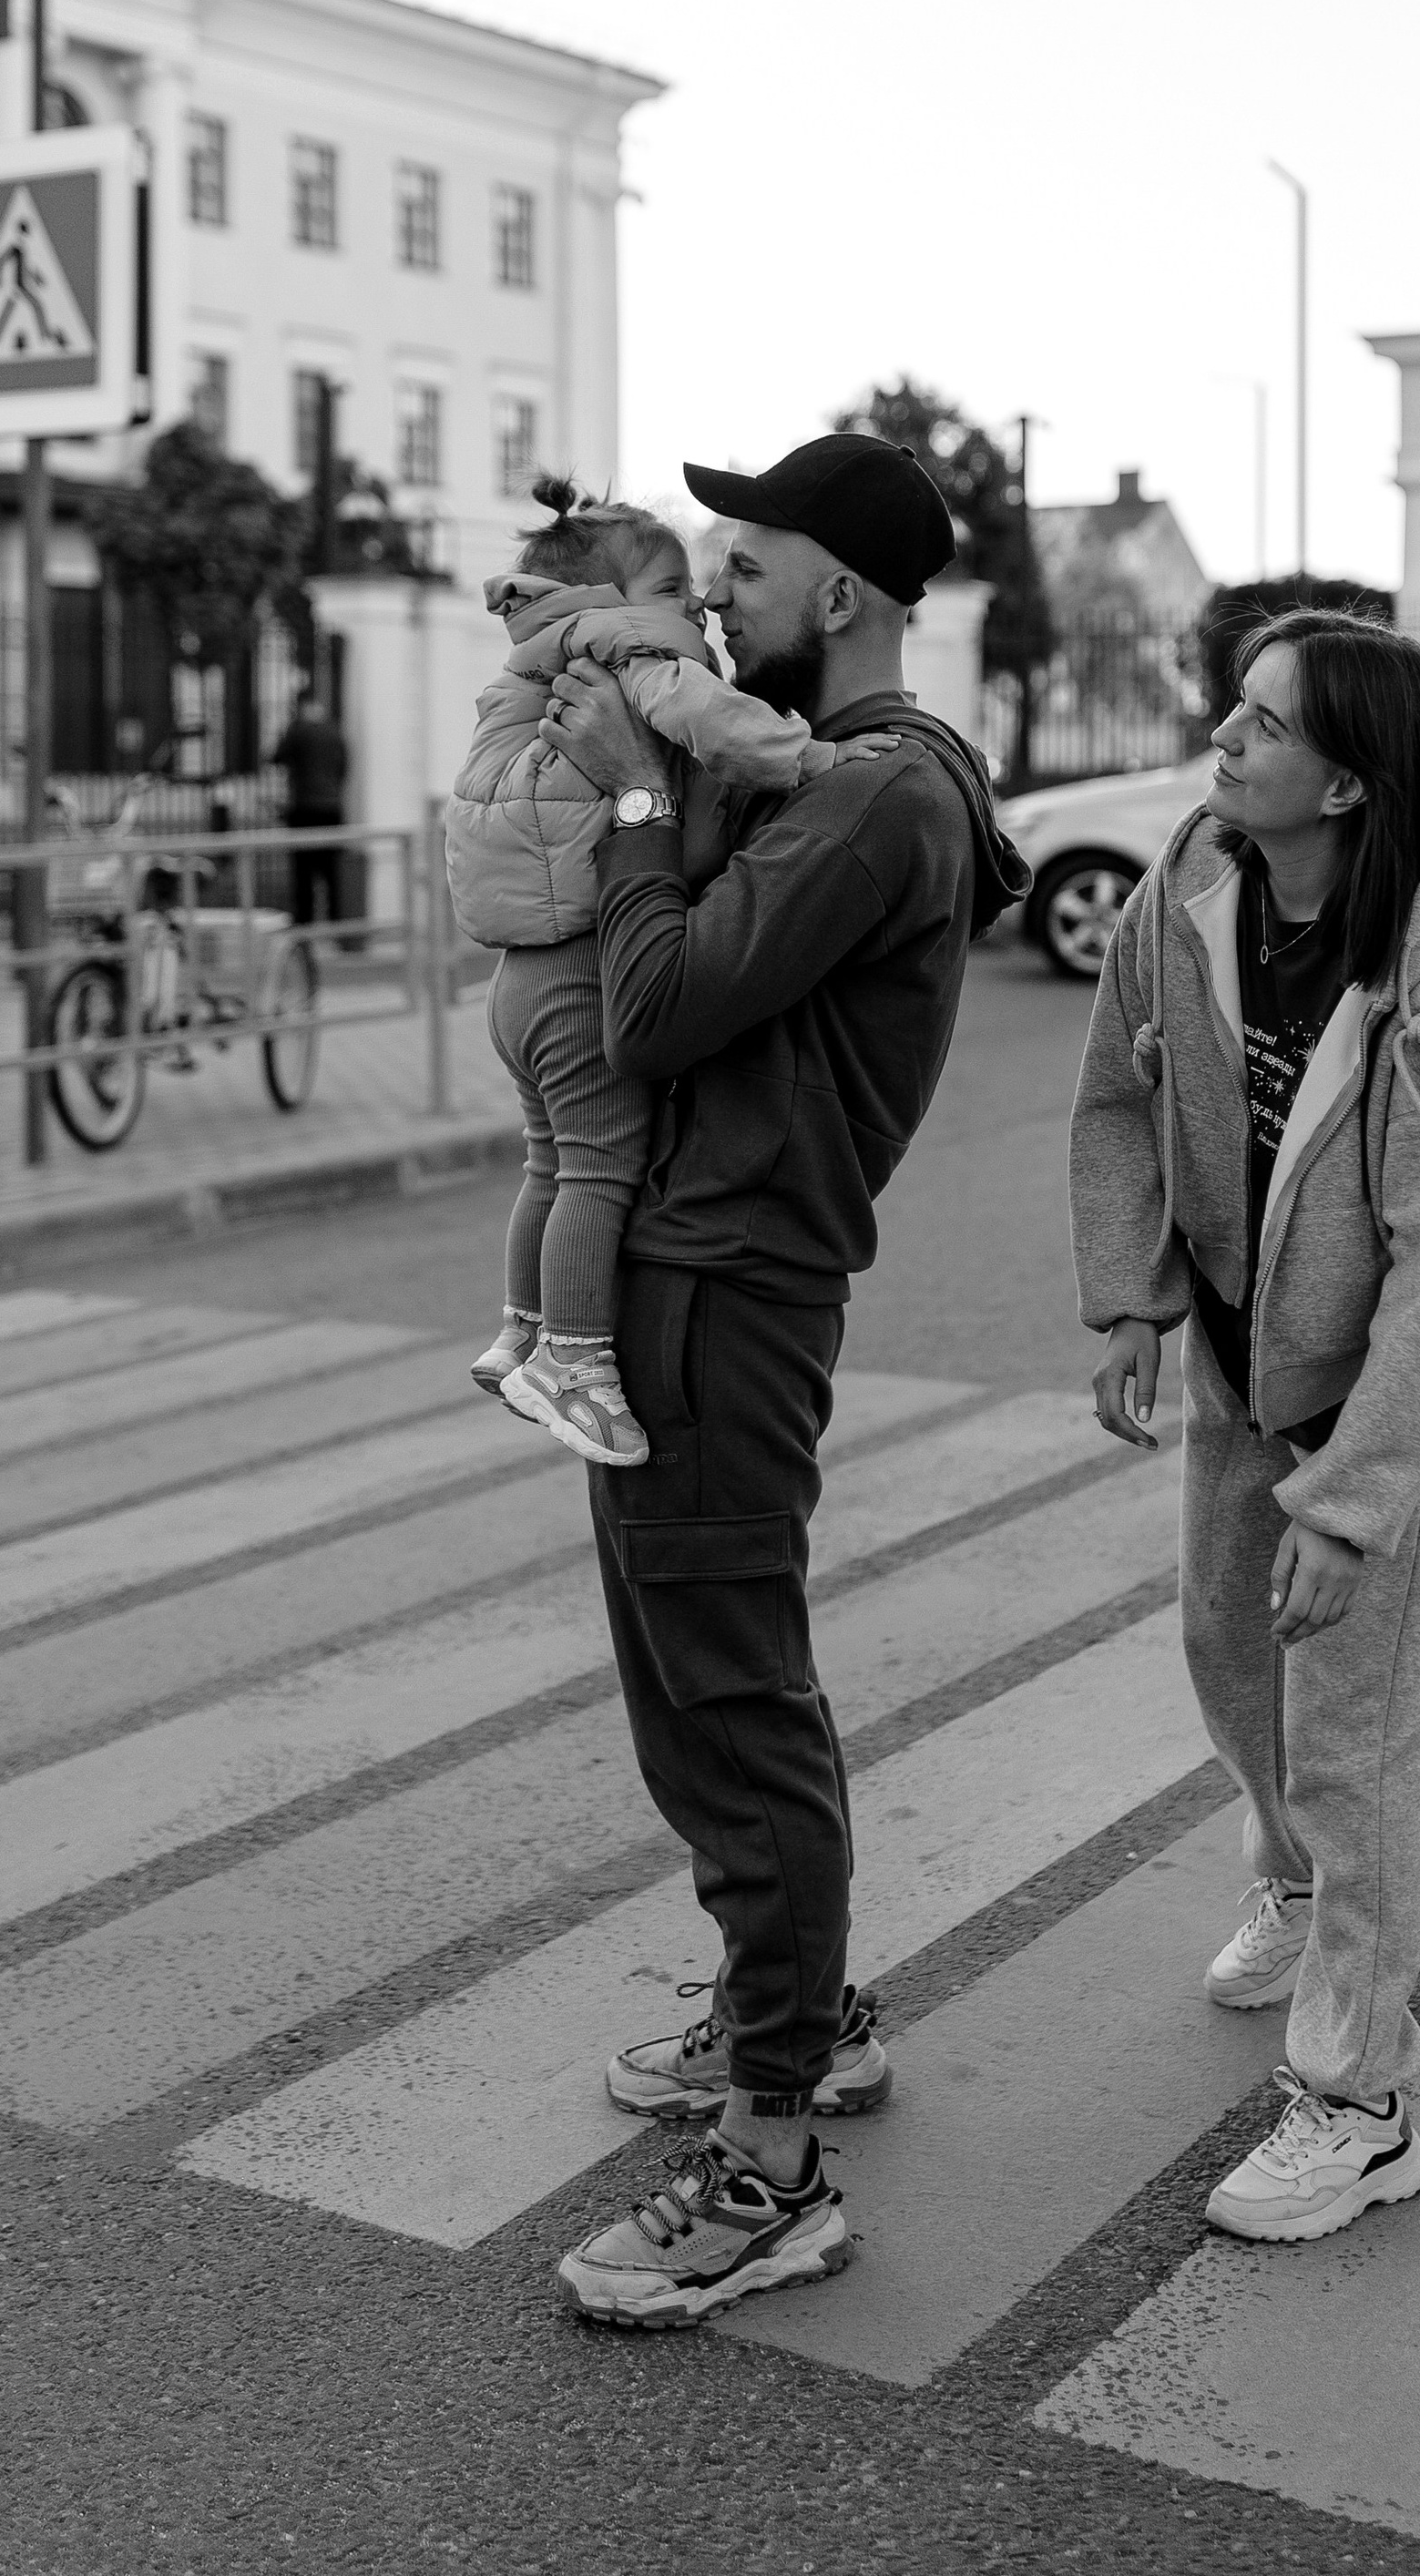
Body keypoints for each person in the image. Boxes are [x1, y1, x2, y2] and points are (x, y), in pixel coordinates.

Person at [533, 432, 1027, 2329]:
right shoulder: (834, 780)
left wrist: (635, 822)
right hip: (694, 1262)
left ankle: (770, 2162)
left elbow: (652, 1010)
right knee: (703, 1682)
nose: (711, 593)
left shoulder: (879, 799)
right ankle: (792, 2020)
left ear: (845, 593)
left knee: (727, 1698)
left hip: (725, 1273)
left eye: (748, 564)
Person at [1069, 608, 1420, 2244]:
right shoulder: (1189, 881)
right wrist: (1131, 1291)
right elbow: (1118, 1087)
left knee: (1359, 1742)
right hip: (1240, 1371)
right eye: (1236, 709)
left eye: (1265, 724)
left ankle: (1361, 2100)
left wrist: (1354, 1505)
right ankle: (1302, 1883)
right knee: (1225, 1655)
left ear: (1347, 785)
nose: (1227, 736)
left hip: (1373, 1399)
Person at [444, 475, 896, 1467]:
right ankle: (576, 1361)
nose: (697, 603)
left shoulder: (533, 655)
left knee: (548, 1161)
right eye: (673, 583)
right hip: (575, 971)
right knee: (599, 1164)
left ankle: (519, 1329)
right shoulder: (628, 653)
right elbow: (711, 722)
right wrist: (810, 761)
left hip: (519, 976)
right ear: (606, 601)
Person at [271, 688, 349, 935]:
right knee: (331, 872)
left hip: (304, 808)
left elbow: (277, 756)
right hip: (331, 808)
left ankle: (304, 928)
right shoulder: (334, 731)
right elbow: (344, 768)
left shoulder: (298, 730)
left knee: (303, 872)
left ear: (300, 706)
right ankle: (338, 927)